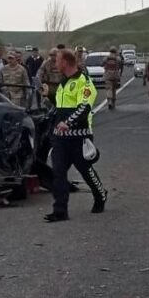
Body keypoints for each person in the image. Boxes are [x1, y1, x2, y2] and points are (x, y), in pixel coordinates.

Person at [45, 49, 108, 223]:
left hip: (79, 137)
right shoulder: (62, 83)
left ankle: (100, 195)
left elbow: (84, 107)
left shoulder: (84, 82)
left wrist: (69, 123)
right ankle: (60, 211)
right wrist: (49, 95)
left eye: (57, 60)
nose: (54, 63)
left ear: (65, 62)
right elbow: (61, 106)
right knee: (58, 173)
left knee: (86, 171)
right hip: (60, 138)